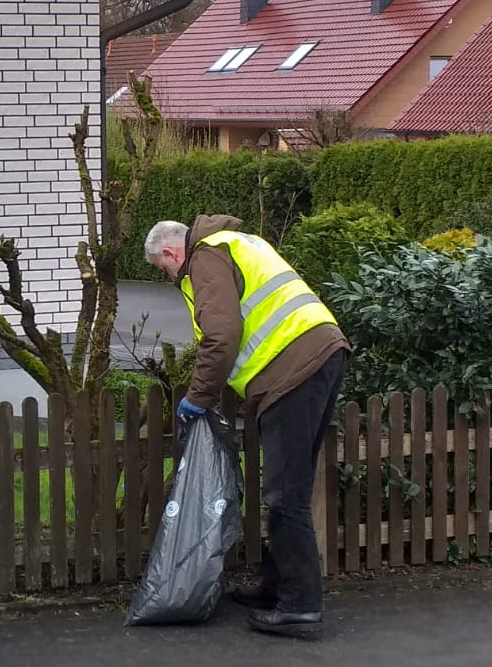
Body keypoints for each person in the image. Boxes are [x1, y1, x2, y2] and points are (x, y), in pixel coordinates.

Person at [143, 215, 349, 634]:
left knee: (284, 493)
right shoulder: (236, 241)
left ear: (170, 253)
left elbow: (221, 335)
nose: (165, 276)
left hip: (293, 368)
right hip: (321, 353)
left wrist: (197, 398)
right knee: (290, 486)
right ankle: (278, 585)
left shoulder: (205, 257)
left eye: (160, 268)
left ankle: (300, 605)